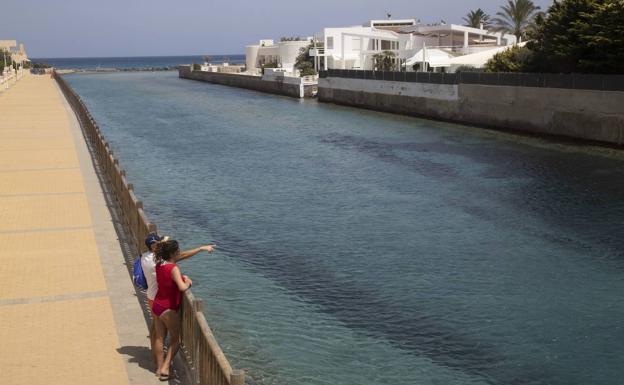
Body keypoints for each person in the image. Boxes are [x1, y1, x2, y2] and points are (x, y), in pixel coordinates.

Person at [141, 234, 214, 378]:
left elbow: (168, 281)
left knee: (159, 338)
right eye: (178, 251)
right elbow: (181, 287)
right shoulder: (173, 268)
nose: (180, 252)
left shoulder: (159, 264)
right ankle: (166, 368)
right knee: (176, 340)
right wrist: (187, 281)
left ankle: (159, 368)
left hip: (157, 304)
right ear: (173, 253)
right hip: (168, 308)